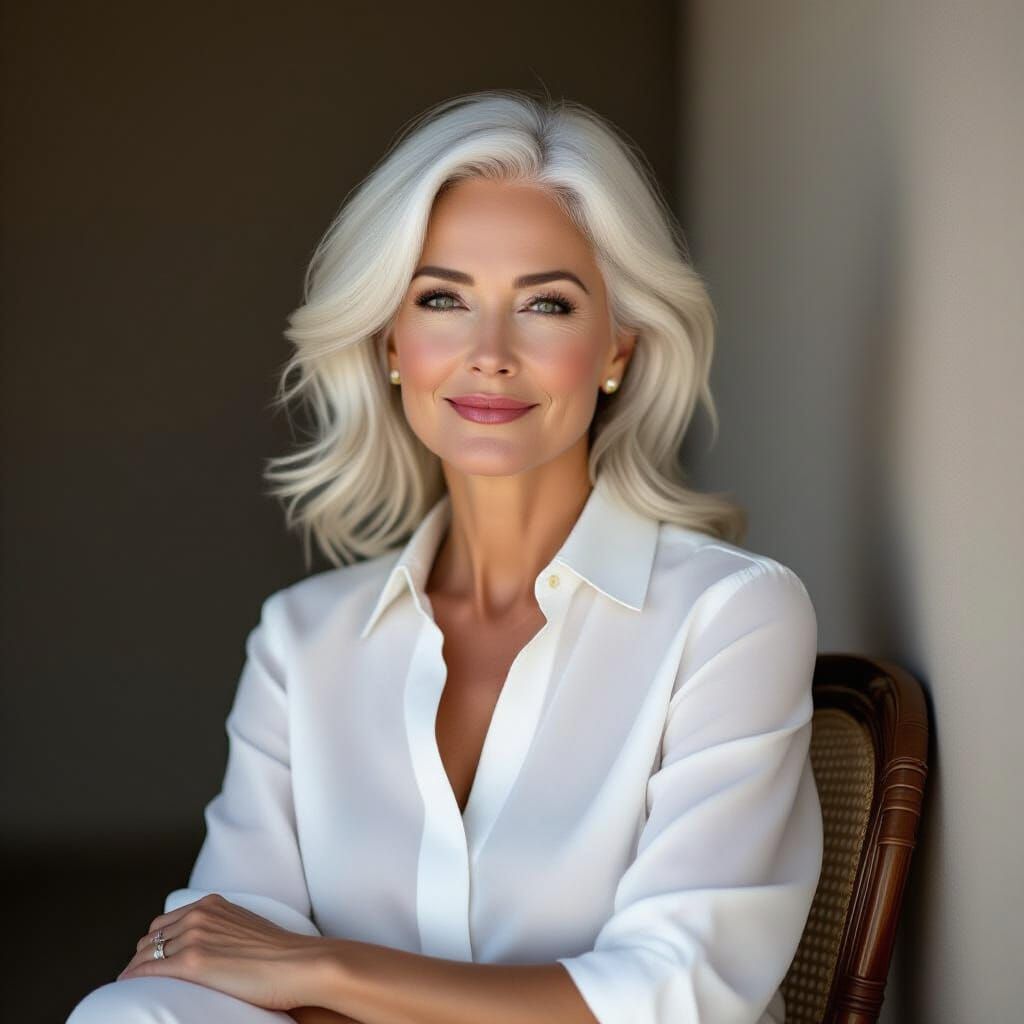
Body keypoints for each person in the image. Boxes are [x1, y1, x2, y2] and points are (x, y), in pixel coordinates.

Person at [67, 88, 823, 1024]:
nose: (489, 353)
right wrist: (277, 972)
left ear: (618, 349)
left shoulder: (730, 616)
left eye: (546, 303)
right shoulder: (301, 642)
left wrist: (325, 971)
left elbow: (677, 991)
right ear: (392, 342)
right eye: (442, 299)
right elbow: (216, 958)